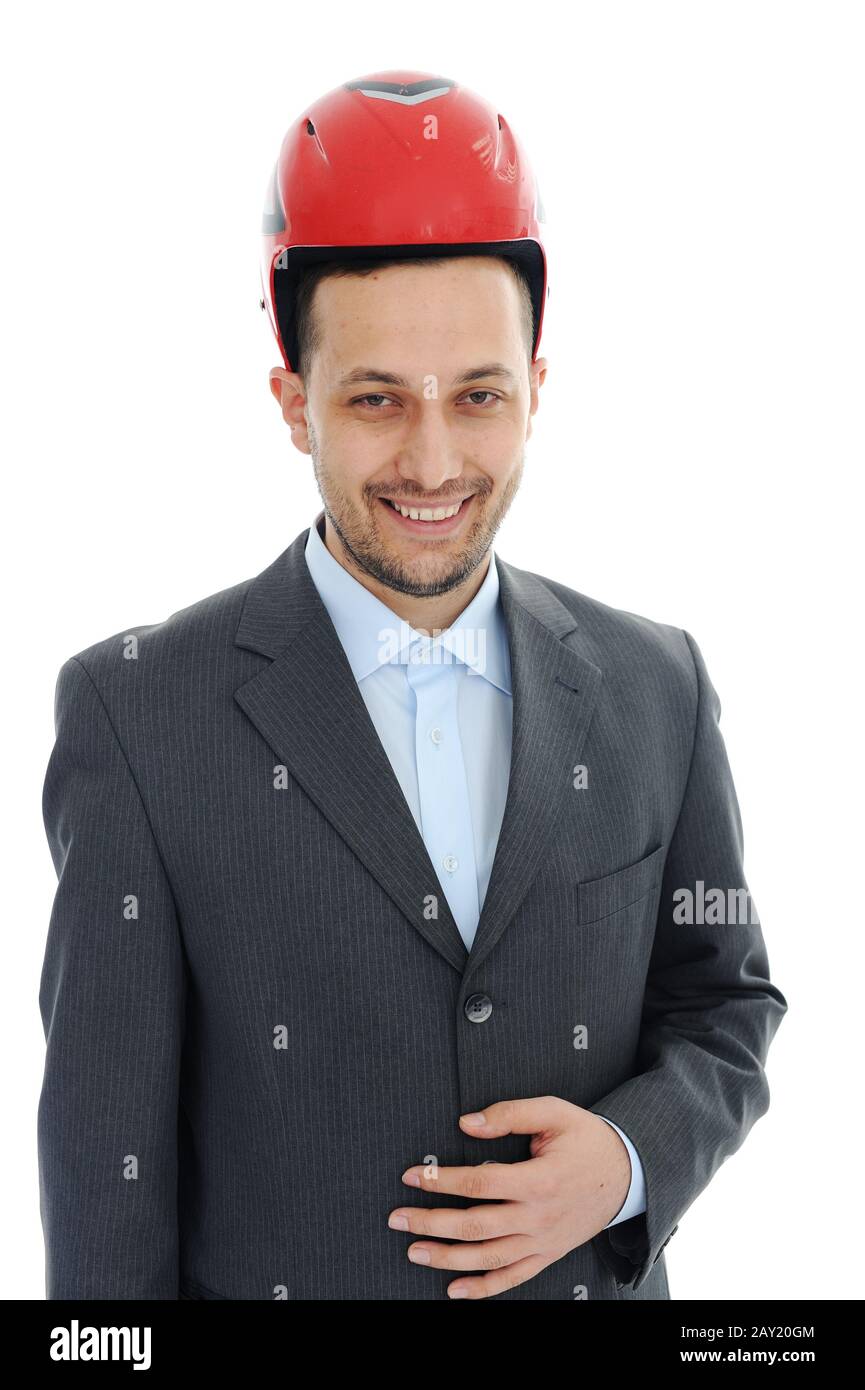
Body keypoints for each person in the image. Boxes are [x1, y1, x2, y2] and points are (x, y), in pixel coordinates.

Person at [37, 69, 787, 1301]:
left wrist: (627, 1159)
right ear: (293, 405)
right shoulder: (138, 718)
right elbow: (107, 1177)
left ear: (537, 388)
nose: (432, 461)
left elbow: (726, 999)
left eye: (479, 396)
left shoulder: (659, 684)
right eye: (375, 398)